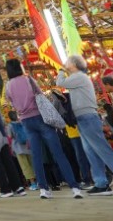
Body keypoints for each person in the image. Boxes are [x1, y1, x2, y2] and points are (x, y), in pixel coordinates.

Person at [4, 59, 82, 199]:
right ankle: (74, 187)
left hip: (26, 122)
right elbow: (39, 94)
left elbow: (10, 100)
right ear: (19, 67)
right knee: (58, 153)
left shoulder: (8, 85)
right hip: (40, 118)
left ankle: (43, 189)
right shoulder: (27, 79)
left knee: (37, 156)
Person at [56, 56, 113, 196]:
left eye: (68, 63)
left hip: (87, 118)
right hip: (82, 118)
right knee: (91, 153)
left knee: (103, 150)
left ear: (74, 65)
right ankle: (101, 183)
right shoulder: (78, 78)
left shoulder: (79, 76)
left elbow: (60, 82)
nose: (65, 64)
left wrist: (61, 69)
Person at [6, 112, 36, 190]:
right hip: (27, 146)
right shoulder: (22, 123)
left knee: (25, 166)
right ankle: (39, 181)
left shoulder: (10, 126)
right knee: (32, 164)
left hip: (18, 148)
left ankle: (33, 184)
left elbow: (10, 136)